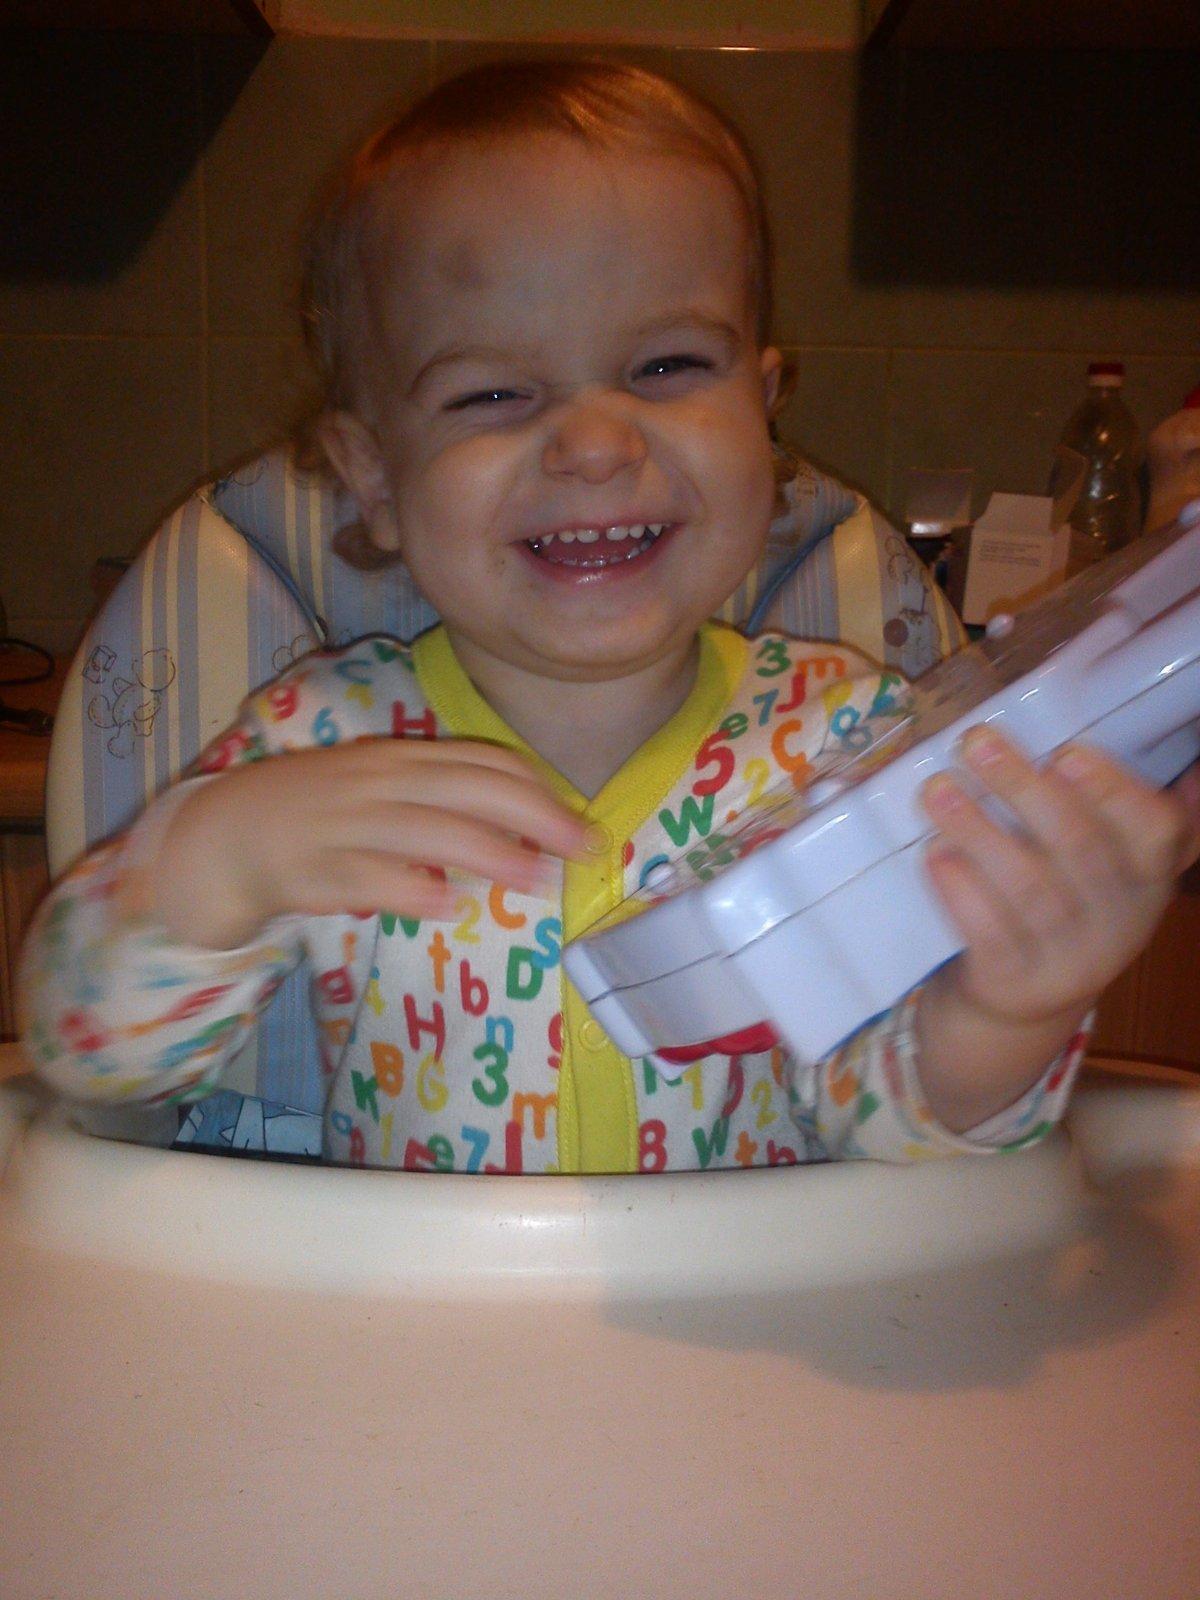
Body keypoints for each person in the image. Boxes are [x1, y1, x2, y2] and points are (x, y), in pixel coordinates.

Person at [18, 59, 1199, 1175]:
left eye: (669, 366)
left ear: (762, 410)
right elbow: (95, 1068)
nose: (593, 441)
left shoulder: (852, 745)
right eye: (492, 392)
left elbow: (882, 1130)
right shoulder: (314, 743)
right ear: (373, 473)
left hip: (749, 1317)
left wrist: (1005, 1011)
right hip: (411, 1314)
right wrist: (219, 862)